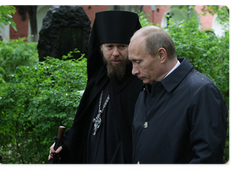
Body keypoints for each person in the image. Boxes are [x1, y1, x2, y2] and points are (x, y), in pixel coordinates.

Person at [48, 11, 142, 164]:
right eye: (109, 46)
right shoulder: (97, 82)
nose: (115, 53)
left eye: (122, 46)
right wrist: (63, 145)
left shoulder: (141, 84)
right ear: (100, 48)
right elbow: (82, 126)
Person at [128, 26, 228, 164]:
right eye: (132, 62)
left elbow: (207, 159)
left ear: (161, 55)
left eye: (138, 62)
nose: (134, 71)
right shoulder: (147, 89)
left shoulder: (202, 92)